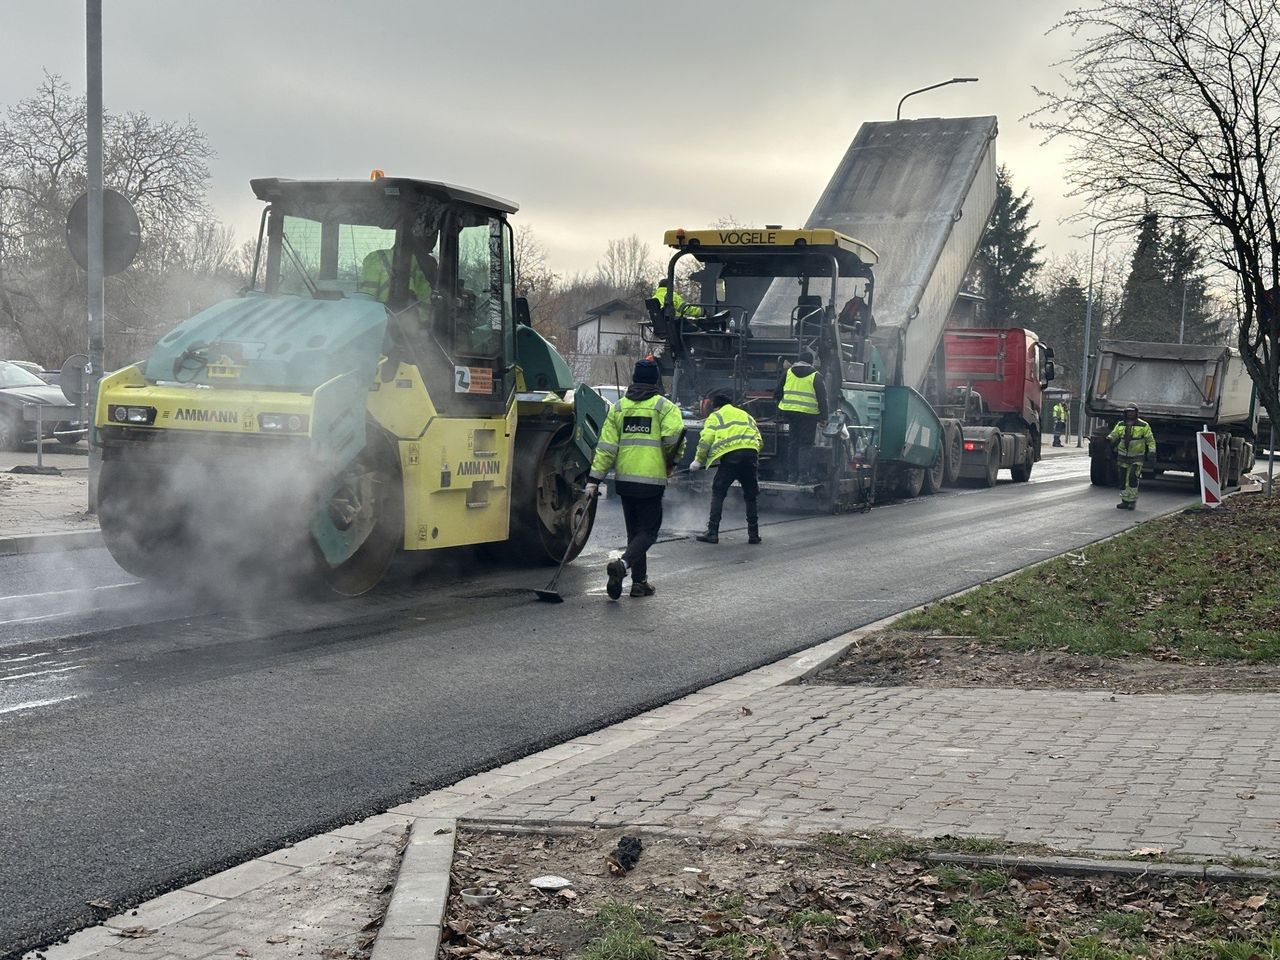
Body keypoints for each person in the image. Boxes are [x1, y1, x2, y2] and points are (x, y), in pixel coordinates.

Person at [586, 358, 685, 599]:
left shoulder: (619, 408)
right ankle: (623, 565)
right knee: (649, 533)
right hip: (651, 480)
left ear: (634, 379)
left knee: (635, 532)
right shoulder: (664, 407)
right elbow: (675, 438)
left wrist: (593, 480)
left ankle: (640, 583)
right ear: (656, 381)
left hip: (625, 481)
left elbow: (606, 448)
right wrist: (671, 461)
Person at [691, 392, 763, 545]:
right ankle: (754, 535)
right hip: (750, 454)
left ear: (715, 406)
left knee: (719, 491)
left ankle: (712, 533)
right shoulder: (745, 415)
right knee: (750, 494)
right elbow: (758, 438)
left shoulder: (715, 416)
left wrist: (698, 461)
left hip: (731, 457)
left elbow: (706, 440)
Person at [774, 350, 827, 483]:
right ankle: (803, 476)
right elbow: (822, 399)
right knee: (806, 445)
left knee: (793, 443)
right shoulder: (816, 376)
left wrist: (783, 405)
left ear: (798, 360)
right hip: (809, 415)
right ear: (811, 362)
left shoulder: (788, 373)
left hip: (791, 413)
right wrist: (823, 417)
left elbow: (777, 393)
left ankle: (791, 475)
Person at [1107, 403, 1156, 510]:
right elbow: (1114, 435)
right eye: (1128, 411)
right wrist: (1108, 439)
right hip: (1122, 456)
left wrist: (1152, 452)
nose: (1130, 413)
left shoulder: (1144, 425)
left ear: (1136, 413)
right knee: (1122, 478)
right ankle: (1125, 500)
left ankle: (1132, 501)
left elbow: (1150, 440)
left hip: (1137, 457)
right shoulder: (1120, 424)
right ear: (1125, 413)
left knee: (1133, 477)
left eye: (1132, 411)